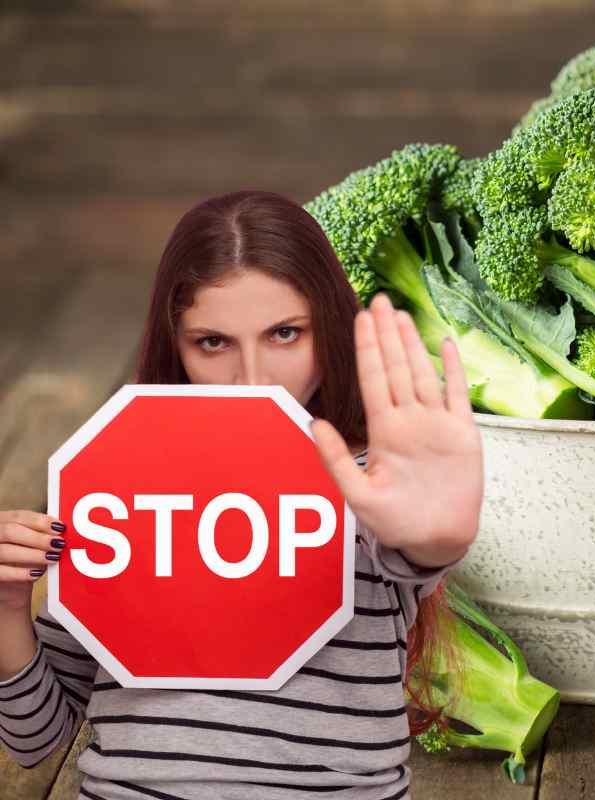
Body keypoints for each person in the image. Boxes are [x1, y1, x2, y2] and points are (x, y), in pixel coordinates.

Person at [0, 190, 484, 799]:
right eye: (213, 342)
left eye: (284, 334)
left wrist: (438, 534)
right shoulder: (119, 480)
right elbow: (37, 738)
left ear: (328, 329)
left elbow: (419, 543)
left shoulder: (376, 482)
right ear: (173, 347)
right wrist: (7, 610)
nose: (253, 378)